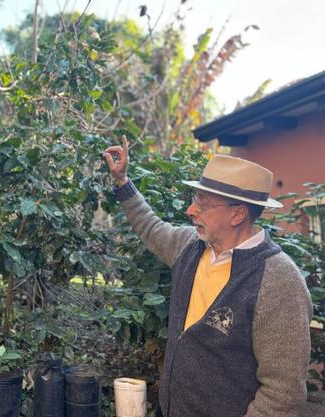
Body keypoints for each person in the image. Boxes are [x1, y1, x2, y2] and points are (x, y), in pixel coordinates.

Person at [104, 136, 312, 417]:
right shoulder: (189, 246)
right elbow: (151, 227)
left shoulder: (278, 280)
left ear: (237, 214)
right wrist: (122, 182)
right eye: (194, 200)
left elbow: (283, 394)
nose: (191, 211)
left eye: (203, 204)